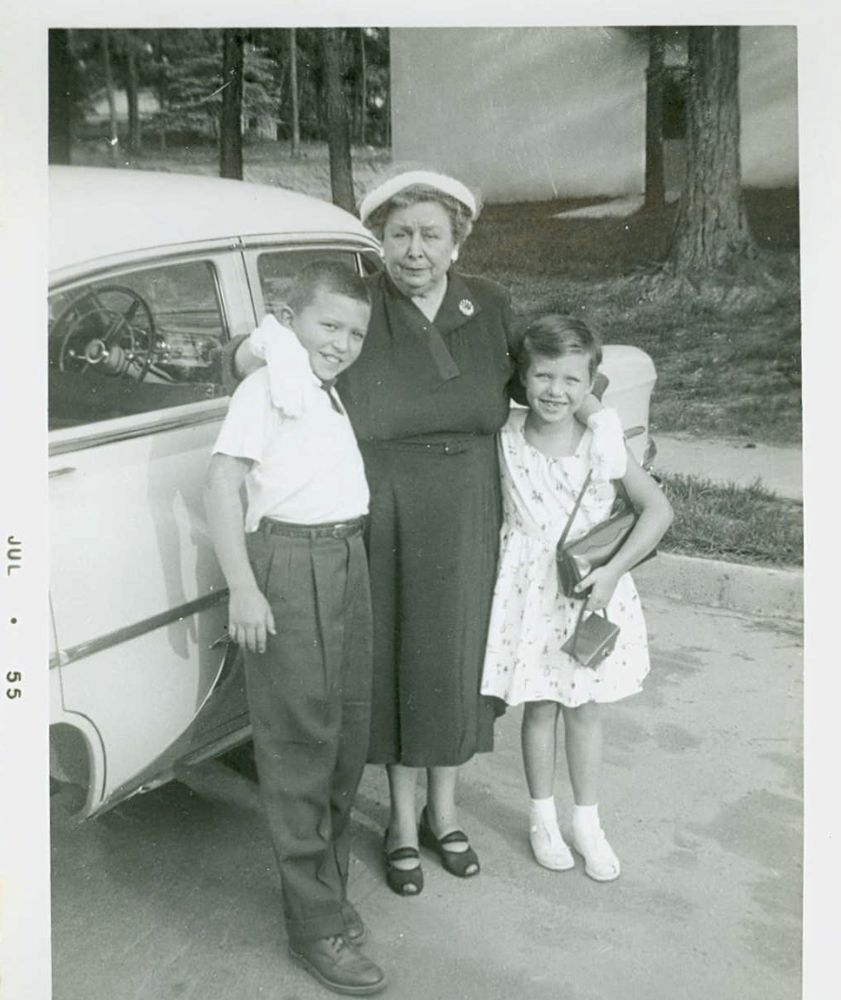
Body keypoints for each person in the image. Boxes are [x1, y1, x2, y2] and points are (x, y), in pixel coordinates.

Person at [229, 170, 603, 897]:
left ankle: (445, 813)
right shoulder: (361, 308)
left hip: (467, 505)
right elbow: (270, 348)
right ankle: (401, 825)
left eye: (432, 234)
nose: (415, 250)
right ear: (378, 239)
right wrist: (265, 351)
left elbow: (555, 380)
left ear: (457, 240)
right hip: (385, 504)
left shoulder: (489, 306)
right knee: (399, 663)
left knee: (452, 662)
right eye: (399, 234)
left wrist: (605, 424)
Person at [204, 260, 386, 996]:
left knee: (342, 739)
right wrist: (244, 587)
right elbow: (220, 482)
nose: (341, 342)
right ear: (291, 319)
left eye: (354, 332)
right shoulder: (267, 385)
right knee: (301, 747)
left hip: (344, 559)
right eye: (327, 326)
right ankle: (314, 928)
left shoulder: (316, 383)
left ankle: (328, 901)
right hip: (289, 563)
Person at [480, 315, 673, 882]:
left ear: (592, 384)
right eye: (543, 376)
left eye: (571, 380)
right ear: (523, 376)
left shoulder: (603, 445)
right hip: (530, 593)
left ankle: (587, 822)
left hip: (592, 591)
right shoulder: (505, 437)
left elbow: (658, 509)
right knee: (540, 707)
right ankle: (542, 817)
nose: (555, 391)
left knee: (585, 710)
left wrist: (614, 571)